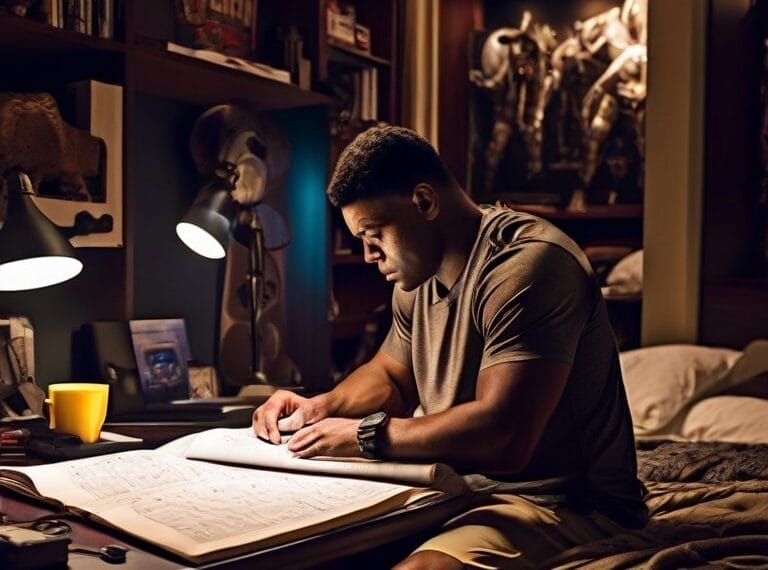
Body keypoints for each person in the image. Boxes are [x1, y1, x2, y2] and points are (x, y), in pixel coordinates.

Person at [252, 126, 647, 569]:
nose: (368, 255)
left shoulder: (529, 266)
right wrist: (318, 409)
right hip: (459, 486)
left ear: (424, 201)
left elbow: (505, 435)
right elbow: (391, 378)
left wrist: (363, 434)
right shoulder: (416, 277)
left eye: (374, 234)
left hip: (563, 503)